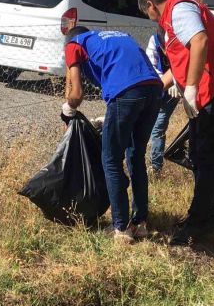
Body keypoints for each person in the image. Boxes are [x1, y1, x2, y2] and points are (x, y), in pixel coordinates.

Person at [137, 0, 214, 245]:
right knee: (201, 155)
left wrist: (190, 90)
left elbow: (200, 40)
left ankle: (202, 224)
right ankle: (203, 219)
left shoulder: (180, 10)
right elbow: (177, 67)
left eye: (148, 14)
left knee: (206, 156)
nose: (150, 18)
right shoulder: (171, 23)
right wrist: (151, 91)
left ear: (150, 5)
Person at [62, 26, 162, 243]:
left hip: (127, 93)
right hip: (155, 90)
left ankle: (121, 228)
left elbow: (77, 94)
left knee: (111, 160)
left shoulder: (74, 44)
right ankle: (140, 223)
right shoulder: (116, 36)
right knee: (135, 156)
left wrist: (68, 110)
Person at [145, 31, 180, 176]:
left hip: (174, 93)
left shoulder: (179, 41)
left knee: (158, 127)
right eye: (164, 47)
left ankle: (155, 166)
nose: (166, 51)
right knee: (144, 125)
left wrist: (177, 82)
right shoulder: (154, 41)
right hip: (155, 89)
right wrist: (168, 80)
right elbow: (151, 67)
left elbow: (186, 63)